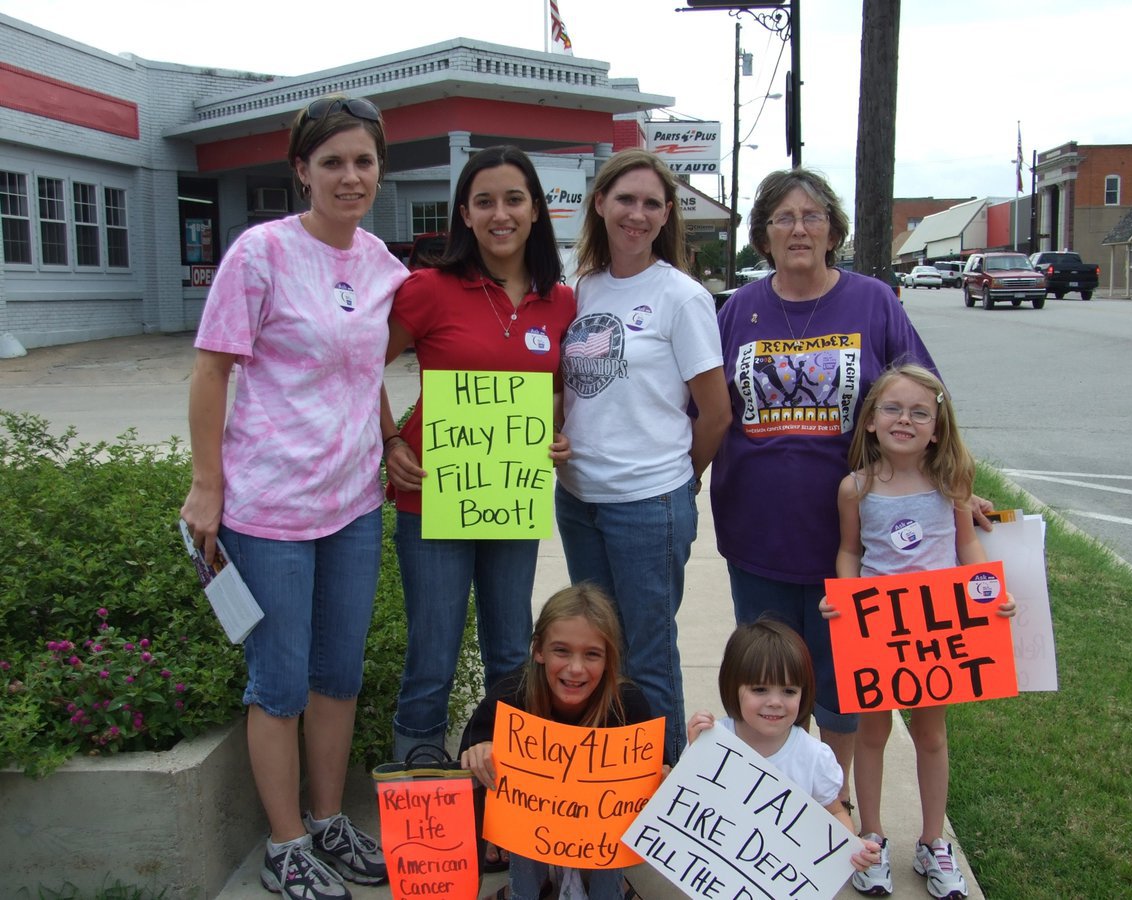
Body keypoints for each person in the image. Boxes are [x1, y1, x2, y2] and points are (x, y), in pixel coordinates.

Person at [180, 94, 408, 899]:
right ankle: (284, 845)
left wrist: (389, 443)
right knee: (278, 682)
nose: (350, 176)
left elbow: (368, 369)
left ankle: (325, 820)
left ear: (379, 170)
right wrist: (207, 485)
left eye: (363, 161)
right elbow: (212, 370)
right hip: (269, 508)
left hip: (351, 505)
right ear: (302, 171)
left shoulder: (384, 266)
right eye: (333, 161)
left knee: (338, 675)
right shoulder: (260, 253)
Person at [709, 166, 978, 808]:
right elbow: (707, 409)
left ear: (833, 230)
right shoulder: (737, 311)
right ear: (763, 235)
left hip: (859, 540)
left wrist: (959, 488)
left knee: (843, 685)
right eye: (783, 218)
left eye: (813, 217)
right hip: (759, 532)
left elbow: (926, 401)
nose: (799, 229)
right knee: (773, 682)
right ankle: (777, 807)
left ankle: (834, 806)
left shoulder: (874, 302)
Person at [383, 146, 575, 765]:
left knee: (510, 650)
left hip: (510, 494)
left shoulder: (561, 301)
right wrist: (387, 440)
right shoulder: (428, 290)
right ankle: (421, 786)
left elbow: (558, 389)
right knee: (433, 650)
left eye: (514, 199)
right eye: (484, 201)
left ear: (536, 210)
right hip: (431, 493)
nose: (500, 214)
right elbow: (355, 369)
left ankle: (506, 782)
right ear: (463, 213)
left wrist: (558, 432)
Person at [556, 148, 732, 766]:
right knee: (596, 648)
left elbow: (715, 414)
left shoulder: (680, 298)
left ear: (666, 218)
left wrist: (682, 484)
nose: (637, 213)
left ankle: (661, 794)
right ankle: (610, 781)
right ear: (599, 203)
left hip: (648, 503)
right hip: (578, 499)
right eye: (625, 199)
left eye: (652, 204)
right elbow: (568, 390)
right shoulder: (577, 290)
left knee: (648, 653)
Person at [821, 364, 1016, 898]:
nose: (904, 419)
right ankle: (872, 838)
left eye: (919, 412)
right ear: (869, 422)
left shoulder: (952, 481)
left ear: (937, 427)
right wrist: (845, 597)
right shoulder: (855, 488)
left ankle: (933, 842)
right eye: (892, 408)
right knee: (872, 735)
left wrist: (988, 590)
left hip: (937, 636)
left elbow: (967, 544)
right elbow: (850, 552)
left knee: (931, 737)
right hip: (877, 632)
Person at [458, 583, 656, 900]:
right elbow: (466, 757)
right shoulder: (511, 695)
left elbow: (657, 767)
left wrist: (660, 774)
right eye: (561, 651)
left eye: (592, 654)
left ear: (609, 660)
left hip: (600, 829)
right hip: (529, 830)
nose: (575, 669)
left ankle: (608, 890)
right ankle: (526, 891)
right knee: (512, 785)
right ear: (538, 650)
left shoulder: (627, 704)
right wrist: (480, 752)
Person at [686, 619, 881, 873]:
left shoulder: (813, 758)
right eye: (760, 689)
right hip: (719, 876)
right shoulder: (711, 740)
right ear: (733, 688)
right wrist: (697, 755)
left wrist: (849, 846)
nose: (775, 702)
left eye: (789, 691)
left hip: (784, 877)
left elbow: (833, 812)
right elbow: (687, 804)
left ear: (804, 693)